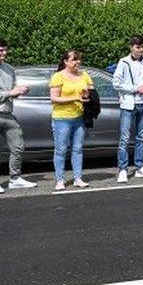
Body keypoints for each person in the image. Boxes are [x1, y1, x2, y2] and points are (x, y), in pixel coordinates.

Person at [112, 35, 143, 183]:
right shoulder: (123, 62)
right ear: (131, 47)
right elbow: (116, 83)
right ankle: (123, 169)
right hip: (128, 104)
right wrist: (135, 88)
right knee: (124, 138)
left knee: (141, 137)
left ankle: (139, 167)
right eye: (138, 47)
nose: (141, 50)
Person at [49, 49, 93, 190]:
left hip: (79, 117)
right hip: (62, 118)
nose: (78, 62)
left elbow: (91, 93)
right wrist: (74, 97)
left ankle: (78, 178)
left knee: (78, 149)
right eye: (74, 59)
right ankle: (60, 180)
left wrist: (87, 94)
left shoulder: (84, 75)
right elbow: (54, 98)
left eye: (79, 59)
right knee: (61, 149)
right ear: (66, 62)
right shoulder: (58, 76)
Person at [0, 37, 35, 192]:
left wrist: (20, 91)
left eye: (6, 49)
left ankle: (15, 179)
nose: (5, 52)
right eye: (1, 50)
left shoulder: (9, 68)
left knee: (18, 146)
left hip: (7, 113)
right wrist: (11, 92)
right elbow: (8, 92)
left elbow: (11, 92)